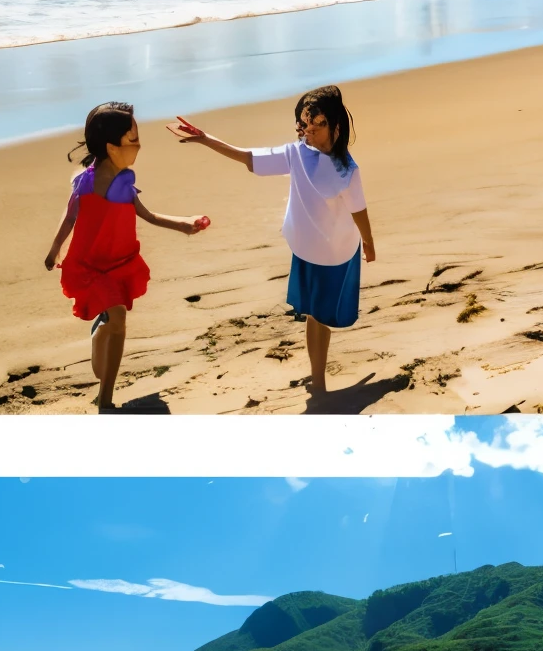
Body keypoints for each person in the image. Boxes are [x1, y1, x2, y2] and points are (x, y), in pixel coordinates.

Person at [175, 86, 375, 401]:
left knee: (321, 316)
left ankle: (318, 380)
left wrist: (369, 244)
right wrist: (206, 138)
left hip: (336, 251)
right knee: (315, 315)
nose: (309, 131)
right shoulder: (297, 153)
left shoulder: (347, 171)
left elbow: (358, 210)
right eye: (306, 123)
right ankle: (318, 382)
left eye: (318, 124)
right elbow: (248, 158)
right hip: (309, 249)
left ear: (336, 125)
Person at [44, 101, 209, 410]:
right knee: (118, 317)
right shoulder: (85, 183)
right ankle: (105, 397)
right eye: (132, 139)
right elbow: (69, 219)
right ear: (111, 146)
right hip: (91, 265)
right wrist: (55, 250)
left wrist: (184, 224)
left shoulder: (125, 185)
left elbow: (149, 216)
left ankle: (105, 392)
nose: (138, 146)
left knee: (117, 319)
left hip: (119, 262)